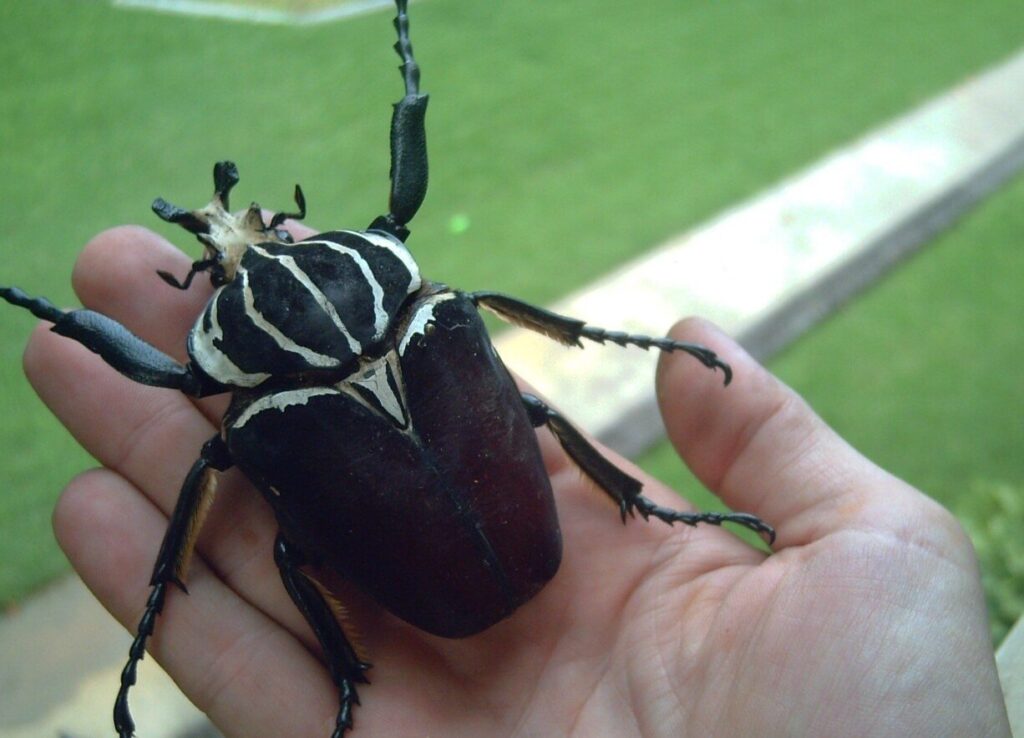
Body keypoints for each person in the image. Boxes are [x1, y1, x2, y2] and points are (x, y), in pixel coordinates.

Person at [21, 224, 1010, 737]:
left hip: (445, 589)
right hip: (492, 558)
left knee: (277, 542)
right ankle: (633, 511)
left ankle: (347, 680)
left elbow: (161, 375)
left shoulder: (245, 428)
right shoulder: (442, 315)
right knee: (521, 407)